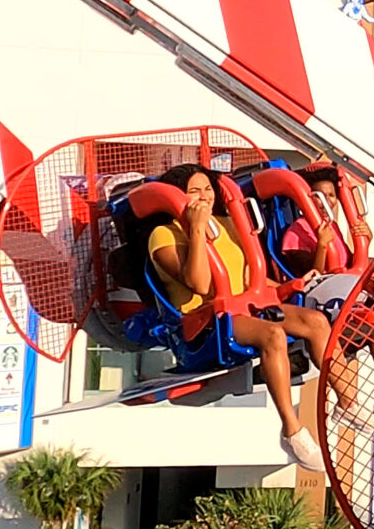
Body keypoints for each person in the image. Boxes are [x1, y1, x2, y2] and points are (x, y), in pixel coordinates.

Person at [147, 163, 344, 471]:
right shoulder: (163, 235)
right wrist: (196, 229)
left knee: (316, 322)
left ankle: (349, 404)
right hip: (207, 321)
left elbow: (249, 274)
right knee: (272, 335)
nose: (203, 197)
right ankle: (292, 430)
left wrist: (287, 287)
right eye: (194, 191)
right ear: (179, 197)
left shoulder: (225, 223)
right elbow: (200, 284)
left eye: (208, 189)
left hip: (245, 304)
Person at [280, 166, 374, 398]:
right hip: (318, 294)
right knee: (370, 301)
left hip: (344, 285)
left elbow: (352, 264)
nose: (325, 202)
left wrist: (365, 240)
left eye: (331, 196)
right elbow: (310, 273)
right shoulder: (297, 231)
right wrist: (321, 244)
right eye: (319, 196)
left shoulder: (334, 230)